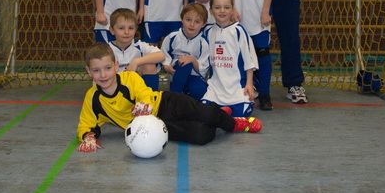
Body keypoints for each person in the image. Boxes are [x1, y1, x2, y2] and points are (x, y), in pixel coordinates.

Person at [76, 42, 262, 152]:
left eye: (108, 68)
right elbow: (86, 123)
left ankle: (234, 122)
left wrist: (144, 104)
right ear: (88, 71)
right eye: (96, 70)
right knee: (201, 136)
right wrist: (88, 136)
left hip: (166, 103)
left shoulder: (129, 78)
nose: (103, 75)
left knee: (207, 114)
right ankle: (218, 115)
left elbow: (144, 93)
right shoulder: (93, 98)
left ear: (116, 66)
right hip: (157, 126)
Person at [201, 0, 258, 117]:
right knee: (205, 114)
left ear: (232, 10)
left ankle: (227, 111)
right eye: (217, 7)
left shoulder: (238, 30)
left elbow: (249, 60)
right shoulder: (208, 31)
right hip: (215, 88)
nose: (222, 11)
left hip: (237, 87)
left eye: (226, 7)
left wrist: (249, 84)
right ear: (211, 11)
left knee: (240, 114)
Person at [160, 3, 211, 100]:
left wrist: (192, 60)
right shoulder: (173, 36)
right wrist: (167, 67)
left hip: (194, 75)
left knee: (200, 90)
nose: (192, 24)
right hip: (175, 72)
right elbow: (164, 54)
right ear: (182, 19)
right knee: (185, 63)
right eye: (188, 20)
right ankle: (174, 97)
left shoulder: (203, 42)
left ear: (204, 24)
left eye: (197, 22)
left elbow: (203, 67)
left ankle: (185, 95)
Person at [107, 8, 164, 91]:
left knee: (149, 65)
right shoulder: (106, 49)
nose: (126, 32)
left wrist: (136, 62)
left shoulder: (139, 45)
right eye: (121, 28)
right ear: (112, 30)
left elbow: (161, 55)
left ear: (136, 29)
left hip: (135, 87)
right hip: (114, 88)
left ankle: (150, 97)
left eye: (131, 28)